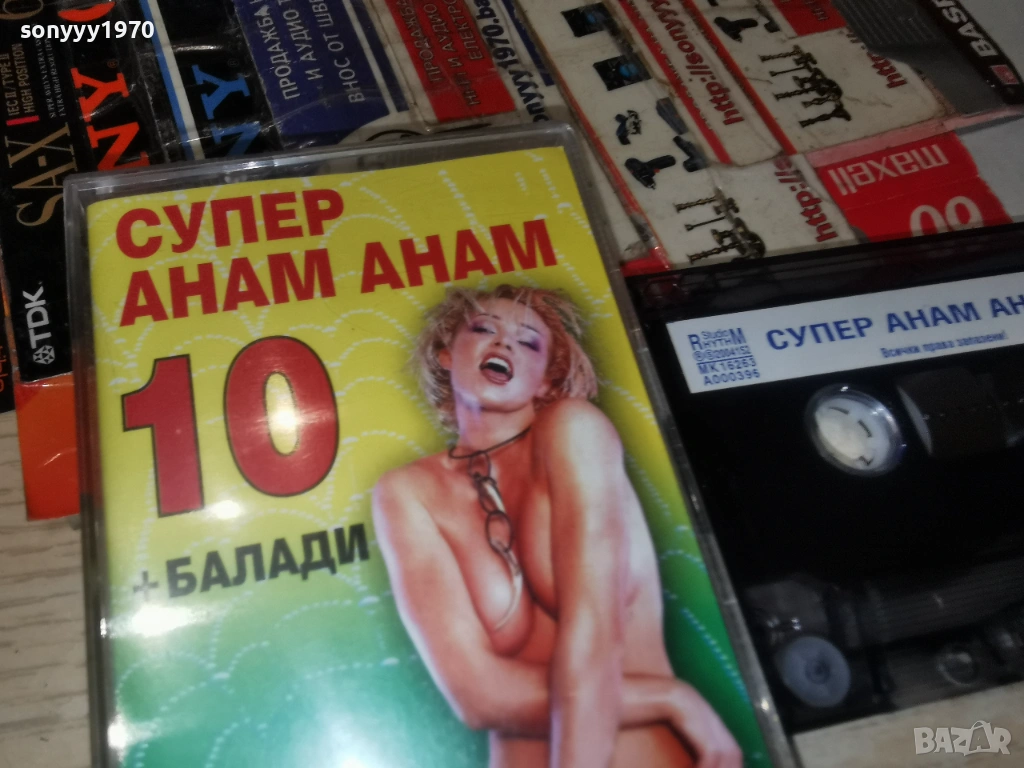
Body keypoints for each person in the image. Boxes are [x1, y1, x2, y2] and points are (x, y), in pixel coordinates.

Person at [373, 285, 741, 768]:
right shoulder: (407, 490)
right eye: (483, 329)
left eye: (528, 342)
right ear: (446, 353)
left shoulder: (573, 430)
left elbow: (594, 633)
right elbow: (477, 697)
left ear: (547, 380)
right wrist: (670, 698)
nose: (503, 343)